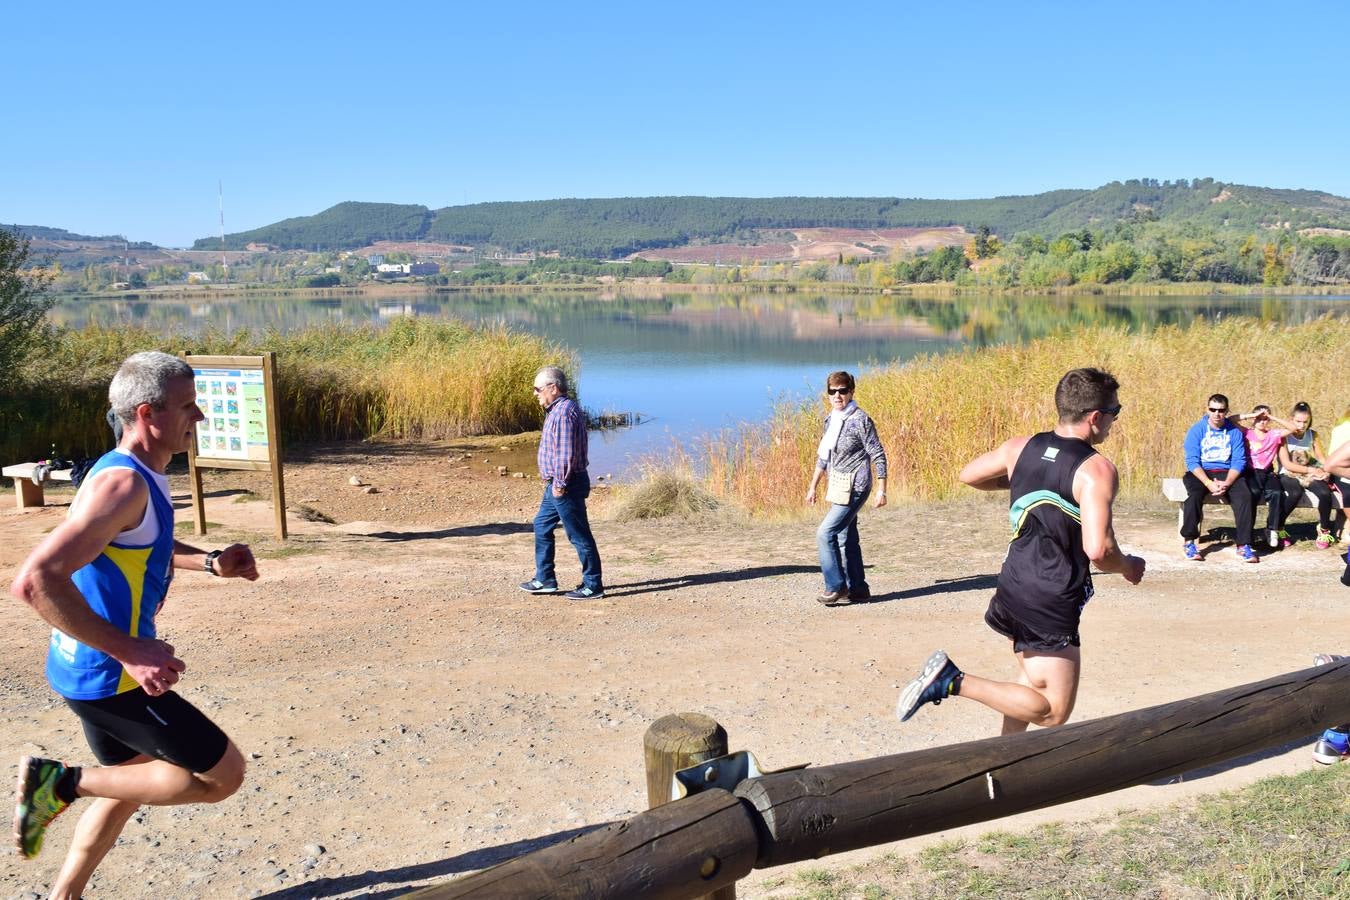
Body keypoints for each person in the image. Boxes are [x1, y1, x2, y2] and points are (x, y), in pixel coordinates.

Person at [10, 351, 259, 897]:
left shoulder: (128, 471)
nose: (199, 419)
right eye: (188, 408)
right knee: (221, 776)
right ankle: (58, 782)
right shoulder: (124, 486)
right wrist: (130, 650)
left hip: (85, 667)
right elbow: (33, 581)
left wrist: (211, 561)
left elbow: (141, 548)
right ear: (148, 414)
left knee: (130, 786)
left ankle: (64, 896)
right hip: (110, 676)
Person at [896, 367, 1145, 733]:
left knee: (1031, 681)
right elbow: (1098, 550)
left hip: (1014, 583)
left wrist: (1027, 480)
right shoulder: (1096, 470)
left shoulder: (1020, 448)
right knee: (1053, 711)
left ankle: (1006, 762)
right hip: (1051, 594)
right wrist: (1128, 566)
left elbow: (970, 474)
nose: (1114, 422)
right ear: (1095, 417)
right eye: (1115, 413)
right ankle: (951, 679)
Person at [518, 365, 604, 601]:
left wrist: (559, 485)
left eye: (538, 389)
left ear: (553, 388)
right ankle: (545, 579)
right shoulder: (557, 410)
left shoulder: (564, 413)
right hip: (556, 485)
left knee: (578, 535)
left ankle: (593, 584)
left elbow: (566, 455)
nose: (535, 393)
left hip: (565, 485)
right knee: (542, 526)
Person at [804, 371, 888, 605]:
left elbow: (878, 454)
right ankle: (858, 588)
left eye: (843, 390)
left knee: (825, 533)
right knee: (845, 537)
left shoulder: (860, 419)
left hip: (857, 486)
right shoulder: (831, 420)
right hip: (839, 485)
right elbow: (824, 456)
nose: (838, 395)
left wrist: (882, 489)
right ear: (828, 394)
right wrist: (813, 486)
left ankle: (835, 587)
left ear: (851, 392)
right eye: (833, 391)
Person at [1179, 393, 1257, 562]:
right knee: (1193, 497)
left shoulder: (1234, 432)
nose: (1217, 414)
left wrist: (1227, 483)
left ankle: (1244, 545)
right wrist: (1208, 483)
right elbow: (1192, 461)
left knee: (1245, 496)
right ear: (1207, 409)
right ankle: (1189, 541)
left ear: (1227, 411)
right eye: (1213, 409)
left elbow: (1239, 460)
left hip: (1227, 472)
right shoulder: (1196, 430)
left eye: (1221, 410)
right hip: (1202, 471)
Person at [1276, 402, 1340, 549]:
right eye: (1298, 421)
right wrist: (1311, 471)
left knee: (1324, 493)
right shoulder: (1284, 436)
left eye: (1305, 422)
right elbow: (1286, 464)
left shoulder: (1313, 434)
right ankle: (1277, 527)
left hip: (1309, 473)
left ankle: (1324, 530)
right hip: (1288, 474)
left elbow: (1321, 458)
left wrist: (1326, 470)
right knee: (1294, 493)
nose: (1301, 425)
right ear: (1291, 419)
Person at [1232, 404, 1296, 549]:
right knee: (1252, 494)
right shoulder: (1247, 433)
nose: (1262, 421)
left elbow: (1293, 428)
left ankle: (1272, 529)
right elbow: (1231, 420)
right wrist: (1250, 415)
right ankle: (1248, 534)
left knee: (1277, 493)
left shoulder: (1273, 435)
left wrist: (1272, 417)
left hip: (1267, 472)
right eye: (1259, 419)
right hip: (1250, 471)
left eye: (1265, 419)